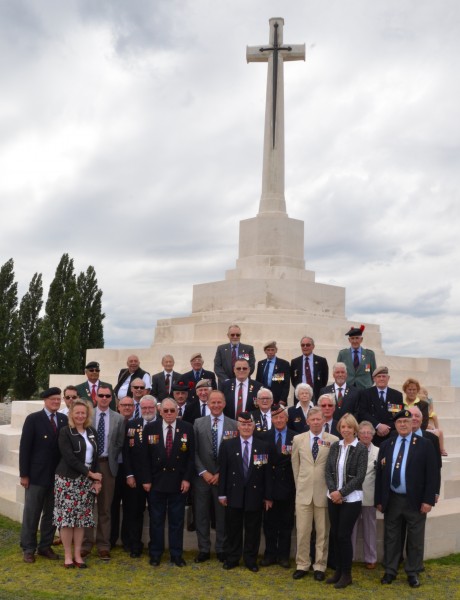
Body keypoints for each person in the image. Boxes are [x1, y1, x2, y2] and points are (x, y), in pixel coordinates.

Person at [375, 409, 437, 588]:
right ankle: (390, 570)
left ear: (413, 424)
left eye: (406, 422)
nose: (403, 424)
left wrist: (428, 500)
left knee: (415, 538)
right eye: (399, 422)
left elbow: (431, 475)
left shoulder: (425, 444)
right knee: (391, 536)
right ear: (395, 425)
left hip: (415, 500)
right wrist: (380, 499)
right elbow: (380, 474)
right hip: (393, 499)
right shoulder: (387, 444)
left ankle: (413, 572)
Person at [142, 397, 195, 567]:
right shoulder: (151, 428)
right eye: (166, 411)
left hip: (178, 482)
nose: (170, 413)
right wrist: (147, 480)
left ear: (178, 411)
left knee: (177, 521)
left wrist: (187, 478)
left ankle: (176, 554)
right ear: (160, 411)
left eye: (173, 410)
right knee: (156, 520)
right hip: (156, 482)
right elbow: (145, 457)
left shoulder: (187, 428)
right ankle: (155, 554)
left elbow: (191, 458)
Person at [218, 411, 272, 572]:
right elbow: (224, 471)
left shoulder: (263, 446)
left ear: (254, 426)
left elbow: (267, 474)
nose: (246, 427)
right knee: (233, 529)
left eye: (249, 424)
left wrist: (268, 496)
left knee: (253, 530)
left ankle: (250, 560)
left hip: (254, 495)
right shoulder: (228, 445)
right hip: (234, 494)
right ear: (238, 426)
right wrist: (222, 493)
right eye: (243, 424)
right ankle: (232, 558)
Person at [19, 387, 68, 564]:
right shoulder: (33, 419)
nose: (56, 402)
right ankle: (28, 548)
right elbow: (25, 448)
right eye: (53, 399)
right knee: (32, 513)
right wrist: (24, 474)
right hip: (36, 476)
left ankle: (45, 546)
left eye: (58, 399)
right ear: (45, 400)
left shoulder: (63, 419)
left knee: (51, 514)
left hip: (56, 476)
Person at [291, 406, 338, 581]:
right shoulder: (298, 439)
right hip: (303, 493)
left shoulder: (333, 440)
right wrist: (300, 486)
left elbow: (333, 468)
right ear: (308, 421)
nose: (316, 422)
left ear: (324, 421)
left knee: (322, 532)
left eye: (319, 419)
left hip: (323, 493)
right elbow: (295, 466)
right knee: (303, 531)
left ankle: (320, 565)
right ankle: (302, 564)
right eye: (313, 419)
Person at [53, 400, 102, 568]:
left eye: (84, 413)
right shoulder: (65, 432)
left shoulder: (92, 432)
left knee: (81, 520)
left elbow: (96, 458)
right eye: (77, 413)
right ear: (71, 415)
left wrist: (96, 480)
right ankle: (67, 556)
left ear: (87, 415)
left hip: (85, 482)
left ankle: (78, 555)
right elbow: (70, 458)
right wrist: (90, 474)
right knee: (67, 520)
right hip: (68, 480)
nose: (80, 416)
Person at [193, 390, 238, 563]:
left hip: (223, 478)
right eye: (213, 402)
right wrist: (204, 472)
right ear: (208, 404)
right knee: (201, 515)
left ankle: (221, 548)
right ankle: (203, 549)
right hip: (202, 478)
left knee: (222, 516)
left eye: (219, 402)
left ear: (224, 404)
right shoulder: (198, 423)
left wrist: (220, 473)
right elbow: (194, 451)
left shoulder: (233, 425)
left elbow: (235, 453)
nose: (216, 405)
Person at [81, 385, 125, 560]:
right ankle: (85, 544)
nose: (105, 398)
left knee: (105, 508)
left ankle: (103, 545)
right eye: (101, 395)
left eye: (108, 395)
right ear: (96, 397)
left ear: (112, 398)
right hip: (88, 466)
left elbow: (119, 444)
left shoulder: (119, 419)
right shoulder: (87, 416)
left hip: (107, 466)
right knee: (86, 507)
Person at [325, 413, 368, 589]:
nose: (346, 430)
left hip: (351, 499)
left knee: (344, 535)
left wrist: (341, 493)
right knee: (335, 534)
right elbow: (328, 471)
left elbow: (360, 476)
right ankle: (338, 571)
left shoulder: (361, 449)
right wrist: (334, 491)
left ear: (354, 429)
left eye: (349, 427)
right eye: (343, 427)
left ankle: (347, 574)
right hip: (333, 497)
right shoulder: (335, 446)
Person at [123, 395, 160, 557]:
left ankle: (154, 547)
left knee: (155, 515)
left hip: (157, 479)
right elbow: (126, 453)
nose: (147, 411)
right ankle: (134, 545)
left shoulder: (162, 425)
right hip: (135, 479)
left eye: (150, 408)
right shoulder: (132, 424)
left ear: (156, 408)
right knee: (134, 512)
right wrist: (129, 474)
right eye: (144, 408)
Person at [260, 405, 297, 568]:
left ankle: (283, 556)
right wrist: (266, 494)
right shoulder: (263, 437)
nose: (279, 420)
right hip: (269, 486)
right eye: (275, 417)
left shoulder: (295, 438)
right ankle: (270, 555)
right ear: (271, 419)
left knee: (286, 524)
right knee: (269, 525)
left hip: (288, 488)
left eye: (282, 417)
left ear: (286, 418)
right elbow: (261, 465)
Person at [351, 421, 379, 569]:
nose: (366, 435)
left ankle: (371, 558)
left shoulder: (379, 451)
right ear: (358, 434)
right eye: (363, 433)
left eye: (369, 433)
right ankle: (350, 556)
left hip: (370, 495)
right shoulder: (351, 449)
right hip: (352, 494)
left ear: (373, 435)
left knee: (370, 527)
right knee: (351, 527)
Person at [109, 396, 135, 551]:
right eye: (124, 405)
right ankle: (111, 539)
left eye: (130, 405)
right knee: (112, 505)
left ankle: (127, 540)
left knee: (130, 506)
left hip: (130, 471)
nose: (126, 408)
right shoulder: (113, 422)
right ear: (118, 407)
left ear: (133, 408)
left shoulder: (137, 424)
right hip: (113, 468)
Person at [358, 366, 404, 446]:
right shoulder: (366, 394)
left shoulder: (397, 395)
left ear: (388, 378)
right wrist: (378, 425)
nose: (381, 379)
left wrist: (387, 428)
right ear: (374, 379)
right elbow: (363, 413)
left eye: (384, 376)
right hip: (372, 434)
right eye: (379, 377)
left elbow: (398, 416)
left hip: (390, 434)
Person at [214, 324, 256, 389]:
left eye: (237, 335)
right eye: (232, 335)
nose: (235, 337)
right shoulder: (221, 349)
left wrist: (240, 378)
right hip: (225, 384)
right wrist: (226, 380)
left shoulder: (248, 349)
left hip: (243, 383)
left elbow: (251, 366)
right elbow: (217, 367)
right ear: (228, 335)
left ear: (240, 335)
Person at [290, 336, 328, 402]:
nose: (305, 347)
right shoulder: (295, 362)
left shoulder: (321, 361)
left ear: (313, 346)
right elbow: (294, 380)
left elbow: (324, 379)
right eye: (302, 345)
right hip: (300, 394)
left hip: (316, 394)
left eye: (308, 345)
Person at [255, 341, 290, 405]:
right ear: (265, 351)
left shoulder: (283, 364)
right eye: (268, 350)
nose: (270, 352)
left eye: (272, 350)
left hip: (277, 398)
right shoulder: (261, 364)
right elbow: (258, 381)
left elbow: (286, 384)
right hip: (263, 396)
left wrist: (283, 399)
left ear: (276, 350)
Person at [420, 386, 448, 456]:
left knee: (440, 431)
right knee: (436, 433)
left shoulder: (426, 405)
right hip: (422, 429)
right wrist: (427, 426)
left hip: (426, 426)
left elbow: (430, 411)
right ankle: (435, 451)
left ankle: (442, 450)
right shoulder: (418, 411)